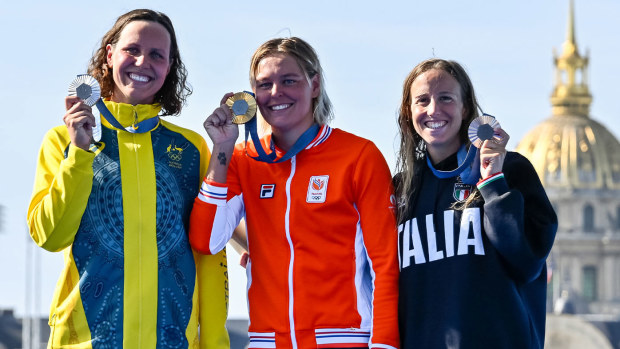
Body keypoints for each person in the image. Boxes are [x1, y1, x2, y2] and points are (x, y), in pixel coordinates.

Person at [27, 9, 229, 348]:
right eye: (131, 50)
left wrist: (215, 343)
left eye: (156, 55)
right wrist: (78, 152)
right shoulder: (62, 140)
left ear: (169, 66)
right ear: (109, 55)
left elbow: (209, 255)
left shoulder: (192, 149)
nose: (142, 61)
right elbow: (50, 237)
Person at [189, 37, 400, 349]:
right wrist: (222, 147)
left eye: (289, 80)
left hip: (343, 339)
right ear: (252, 95)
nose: (276, 93)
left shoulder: (358, 156)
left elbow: (385, 263)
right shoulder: (242, 160)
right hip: (266, 341)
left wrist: (384, 344)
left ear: (314, 85)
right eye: (265, 84)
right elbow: (206, 240)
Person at [394, 58, 558, 349]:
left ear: (466, 107)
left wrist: (493, 181)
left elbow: (528, 261)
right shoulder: (400, 188)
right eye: (422, 100)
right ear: (409, 112)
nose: (434, 110)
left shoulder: (512, 170)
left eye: (446, 98)